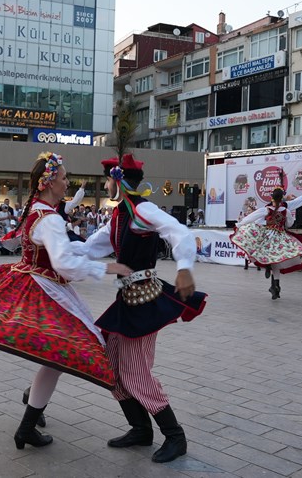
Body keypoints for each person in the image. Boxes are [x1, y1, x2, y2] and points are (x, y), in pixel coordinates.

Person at [0, 152, 132, 451]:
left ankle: (30, 412)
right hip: (45, 289)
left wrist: (89, 255)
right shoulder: (49, 218)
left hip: (36, 282)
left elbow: (53, 252)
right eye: (64, 178)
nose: (67, 183)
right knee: (61, 354)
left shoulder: (37, 210)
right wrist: (107, 268)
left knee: (56, 356)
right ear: (49, 183)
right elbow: (63, 263)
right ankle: (27, 423)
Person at [71, 153, 207, 464]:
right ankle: (140, 428)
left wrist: (185, 267)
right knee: (111, 365)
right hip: (127, 299)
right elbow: (90, 248)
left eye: (107, 181)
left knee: (134, 371)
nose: (106, 186)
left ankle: (175, 435)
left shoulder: (143, 210)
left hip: (144, 300)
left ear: (117, 181)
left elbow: (179, 232)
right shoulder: (119, 216)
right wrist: (52, 246)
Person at [231, 185, 302, 299]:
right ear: (282, 198)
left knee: (261, 253)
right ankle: (276, 285)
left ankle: (269, 270)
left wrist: (239, 225)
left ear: (272, 197)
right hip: (280, 237)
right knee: (276, 261)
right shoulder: (286, 210)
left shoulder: (266, 209)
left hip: (267, 236)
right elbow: (290, 223)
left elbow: (251, 218)